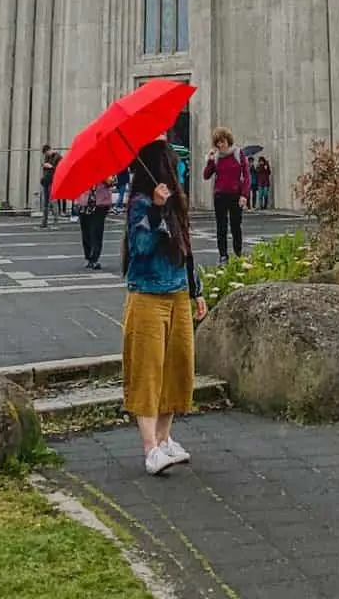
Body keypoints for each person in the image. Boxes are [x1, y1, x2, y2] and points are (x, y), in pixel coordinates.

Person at [122, 140, 204, 476]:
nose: (180, 170)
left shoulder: (176, 203)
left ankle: (165, 437)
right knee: (148, 370)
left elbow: (185, 249)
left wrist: (196, 290)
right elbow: (139, 248)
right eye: (174, 164)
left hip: (178, 293)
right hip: (148, 295)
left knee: (177, 367)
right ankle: (150, 448)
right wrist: (155, 210)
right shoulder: (141, 204)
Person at [203, 127, 248, 262]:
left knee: (236, 225)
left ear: (228, 140)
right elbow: (206, 175)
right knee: (221, 226)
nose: (220, 145)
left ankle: (238, 252)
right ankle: (223, 255)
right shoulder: (216, 157)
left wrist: (244, 195)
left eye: (222, 142)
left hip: (235, 194)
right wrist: (210, 161)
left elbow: (246, 176)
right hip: (220, 195)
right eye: (217, 143)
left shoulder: (238, 153)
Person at [80, 178, 112, 270]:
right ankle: (87, 257)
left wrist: (103, 177)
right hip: (84, 203)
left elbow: (112, 182)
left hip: (100, 205)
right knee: (86, 232)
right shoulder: (82, 170)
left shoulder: (105, 170)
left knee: (96, 232)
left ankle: (94, 259)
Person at [39, 147, 60, 227]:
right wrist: (45, 165)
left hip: (53, 181)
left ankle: (56, 221)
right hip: (46, 180)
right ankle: (44, 222)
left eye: (47, 153)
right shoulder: (47, 157)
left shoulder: (58, 157)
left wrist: (51, 167)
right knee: (45, 202)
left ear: (49, 150)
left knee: (53, 201)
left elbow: (59, 169)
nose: (46, 155)